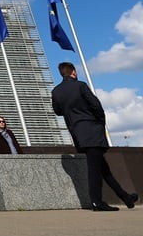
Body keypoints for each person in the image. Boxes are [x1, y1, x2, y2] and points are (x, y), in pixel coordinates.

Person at [51, 61, 138, 212]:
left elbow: (58, 111)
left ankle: (126, 198)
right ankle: (97, 202)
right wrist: (100, 121)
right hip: (92, 131)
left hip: (77, 134)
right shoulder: (81, 86)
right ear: (74, 72)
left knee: (103, 169)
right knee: (94, 170)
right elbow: (95, 105)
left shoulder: (56, 91)